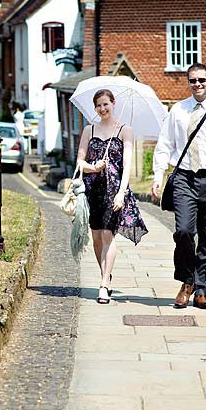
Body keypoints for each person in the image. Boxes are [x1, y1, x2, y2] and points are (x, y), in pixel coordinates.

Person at [150, 63, 206, 309]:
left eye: (202, 80)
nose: (198, 84)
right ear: (188, 82)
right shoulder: (178, 110)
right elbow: (164, 144)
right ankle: (186, 281)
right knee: (183, 231)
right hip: (184, 177)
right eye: (193, 81)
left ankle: (202, 289)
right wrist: (158, 175)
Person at [77, 89, 148, 304]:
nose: (102, 109)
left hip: (114, 191)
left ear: (113, 103)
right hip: (92, 192)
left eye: (106, 104)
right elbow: (79, 162)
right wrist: (92, 166)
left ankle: (103, 285)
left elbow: (127, 166)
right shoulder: (89, 130)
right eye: (98, 105)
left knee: (108, 236)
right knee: (97, 239)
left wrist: (121, 194)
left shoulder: (125, 131)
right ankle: (105, 274)